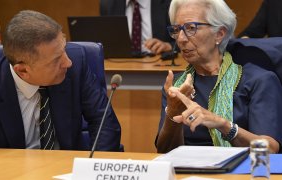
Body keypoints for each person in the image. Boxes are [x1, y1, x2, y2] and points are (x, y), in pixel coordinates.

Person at [0, 10, 121, 151]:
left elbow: (104, 123)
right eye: (56, 60)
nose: (68, 63)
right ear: (23, 71)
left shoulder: (76, 62)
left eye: (64, 49)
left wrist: (94, 168)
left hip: (67, 166)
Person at [156, 0, 282, 154]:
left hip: (240, 175)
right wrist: (172, 113)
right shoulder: (176, 85)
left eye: (190, 28)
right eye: (177, 29)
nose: (181, 39)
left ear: (219, 34)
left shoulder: (259, 80)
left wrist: (222, 124)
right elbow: (164, 152)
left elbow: (269, 150)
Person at [101, 0, 174, 54]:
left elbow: (182, 36)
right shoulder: (108, 4)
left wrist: (168, 46)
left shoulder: (169, 3)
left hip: (158, 64)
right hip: (122, 65)